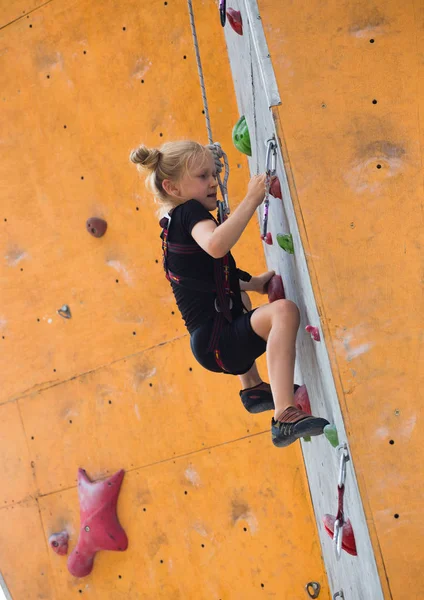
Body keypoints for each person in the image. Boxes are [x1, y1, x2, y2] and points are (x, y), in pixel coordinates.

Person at [130, 140, 329, 447]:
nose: (212, 182)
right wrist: (251, 198)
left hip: (212, 342)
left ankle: (252, 388)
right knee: (284, 313)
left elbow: (211, 275)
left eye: (212, 174)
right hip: (218, 341)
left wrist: (255, 283)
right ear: (173, 188)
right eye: (202, 176)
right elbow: (216, 246)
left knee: (242, 301)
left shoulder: (171, 225)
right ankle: (284, 415)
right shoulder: (189, 213)